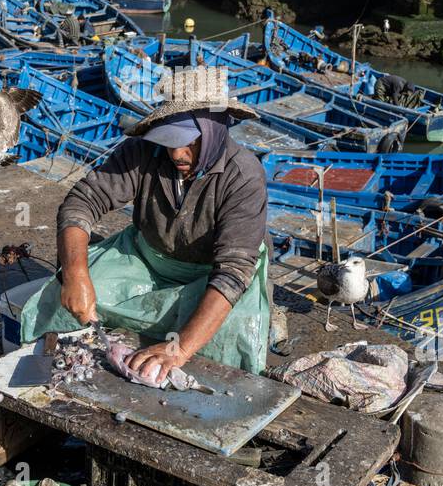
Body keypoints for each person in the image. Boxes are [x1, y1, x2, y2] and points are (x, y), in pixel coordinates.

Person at [19, 67, 270, 378]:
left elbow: (232, 273)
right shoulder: (142, 152)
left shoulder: (244, 176)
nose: (177, 153)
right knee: (64, 300)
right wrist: (75, 273)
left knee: (230, 337)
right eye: (170, 141)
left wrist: (178, 349)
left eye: (189, 142)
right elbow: (81, 203)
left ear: (214, 128)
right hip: (146, 258)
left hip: (211, 276)